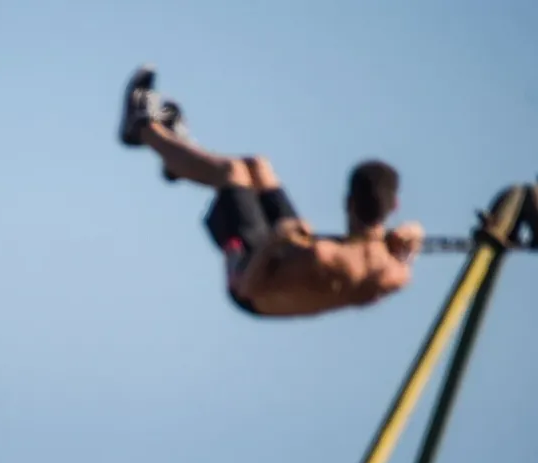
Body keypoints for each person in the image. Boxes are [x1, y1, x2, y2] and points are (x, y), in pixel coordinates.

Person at [118, 64, 425, 318]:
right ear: (394, 205)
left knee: (232, 173)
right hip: (291, 258)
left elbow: (248, 288)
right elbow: (367, 291)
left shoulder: (324, 257)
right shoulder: (397, 271)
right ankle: (180, 161)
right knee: (258, 165)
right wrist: (410, 242)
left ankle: (141, 128)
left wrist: (273, 241)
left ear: (348, 202)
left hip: (251, 281)